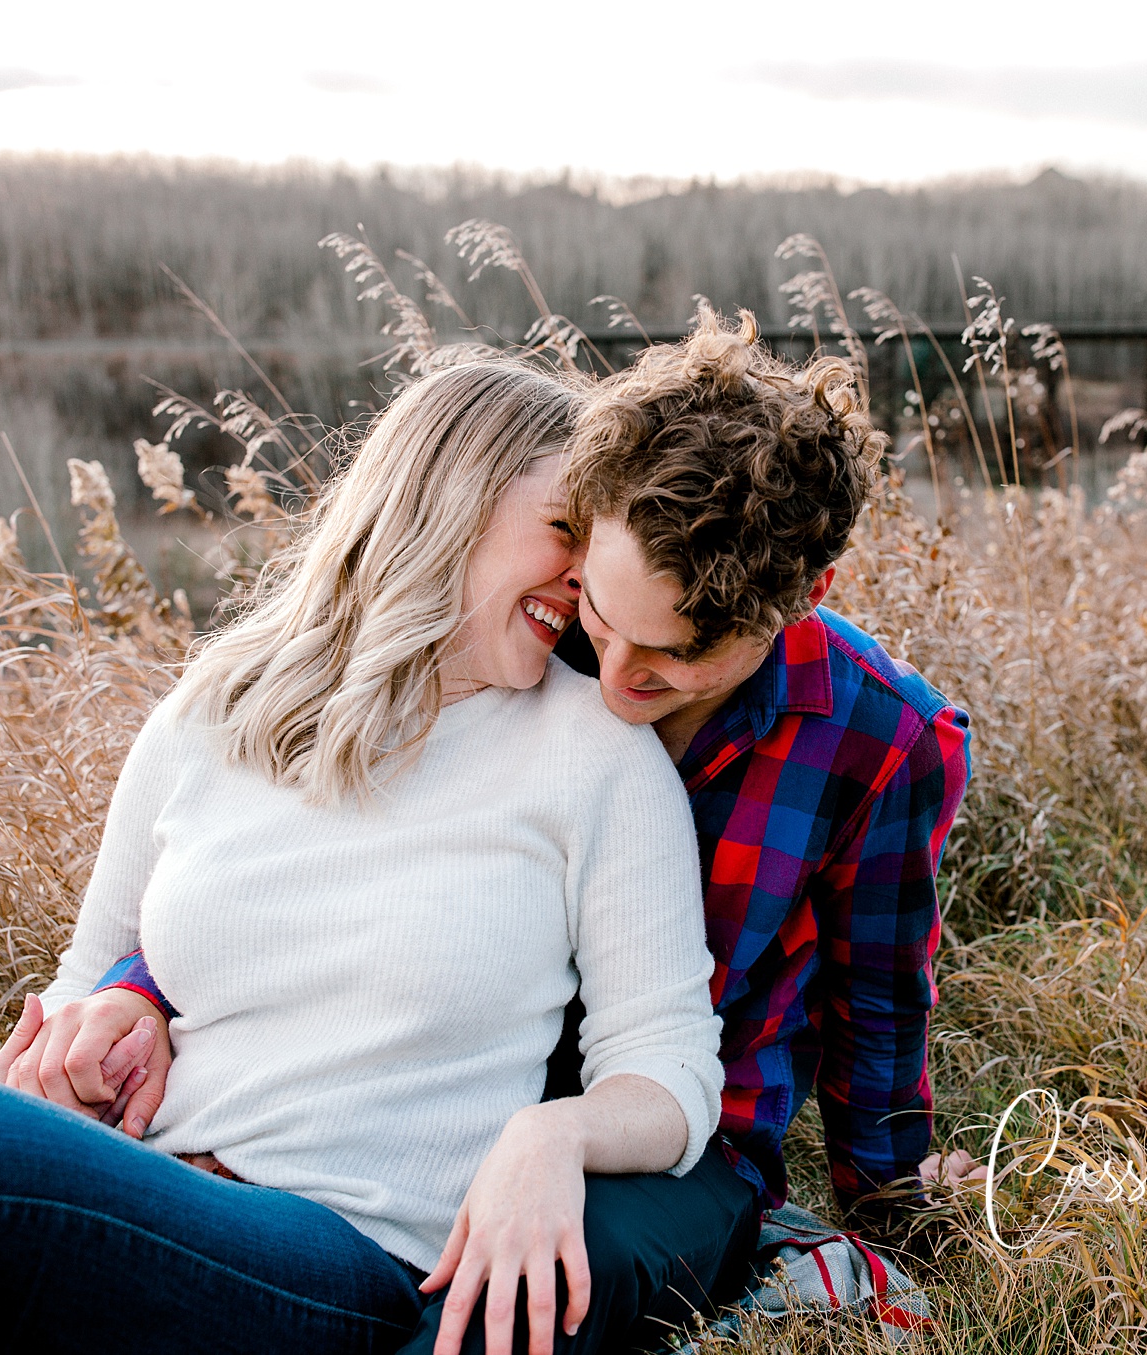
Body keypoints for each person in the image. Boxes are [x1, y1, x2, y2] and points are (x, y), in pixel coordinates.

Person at [0, 358, 727, 1355]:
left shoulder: (595, 755)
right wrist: (76, 1054)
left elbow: (671, 1072)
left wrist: (552, 1135)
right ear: (447, 502)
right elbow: (80, 985)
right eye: (560, 531)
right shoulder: (221, 705)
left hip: (343, 1253)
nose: (583, 578)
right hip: (149, 1188)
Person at [79, 309, 976, 1352]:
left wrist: (899, 1205)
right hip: (433, 1119)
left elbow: (877, 1000)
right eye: (603, 612)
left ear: (803, 596)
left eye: (679, 652)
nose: (621, 675)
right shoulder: (529, 634)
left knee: (522, 1292)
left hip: (676, 1149)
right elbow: (314, 868)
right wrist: (137, 984)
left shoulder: (881, 737)